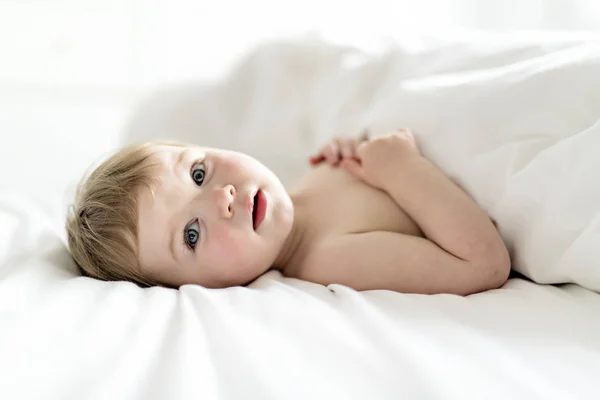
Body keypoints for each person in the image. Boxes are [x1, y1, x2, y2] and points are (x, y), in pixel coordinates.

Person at [67, 129, 510, 295]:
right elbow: (481, 265)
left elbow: (374, 158)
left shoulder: (305, 181)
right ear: (199, 288)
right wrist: (402, 169)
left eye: (198, 174)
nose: (220, 198)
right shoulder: (331, 258)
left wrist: (354, 147)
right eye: (192, 235)